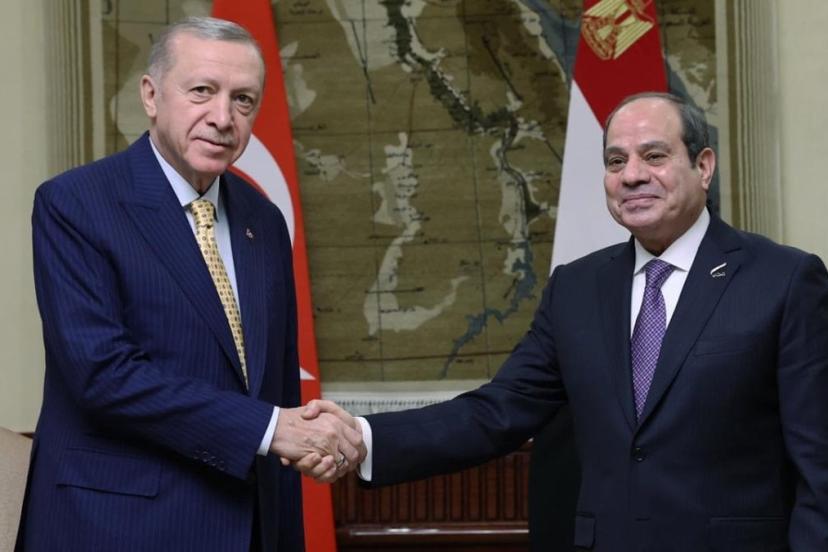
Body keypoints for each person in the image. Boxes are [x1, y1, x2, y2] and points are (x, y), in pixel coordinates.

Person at [301, 92, 828, 550]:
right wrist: (363, 438)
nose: (632, 175)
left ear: (704, 166)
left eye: (654, 156)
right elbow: (498, 411)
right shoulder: (577, 288)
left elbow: (819, 465)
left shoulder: (783, 280)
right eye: (616, 161)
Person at [21, 17, 363, 552]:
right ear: (151, 95)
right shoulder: (76, 204)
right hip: (117, 527)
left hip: (248, 526)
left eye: (243, 100)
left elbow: (276, 388)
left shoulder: (263, 221)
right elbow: (103, 375)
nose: (223, 118)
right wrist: (272, 429)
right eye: (202, 90)